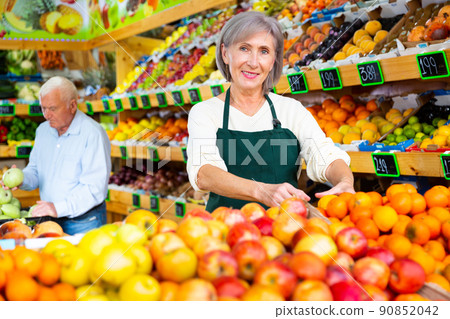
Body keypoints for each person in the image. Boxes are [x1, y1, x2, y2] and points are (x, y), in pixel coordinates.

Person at [187, 11, 355, 212]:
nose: (254, 62)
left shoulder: (291, 110)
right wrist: (262, 191)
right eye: (244, 48)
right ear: (225, 53)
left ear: (274, 60)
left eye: (264, 51)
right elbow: (203, 173)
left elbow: (325, 155)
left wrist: (344, 180)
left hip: (284, 229)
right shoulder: (205, 113)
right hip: (224, 231)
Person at [8, 76, 111, 235]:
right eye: (43, 108)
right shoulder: (42, 131)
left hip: (84, 222)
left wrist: (58, 208)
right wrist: (22, 178)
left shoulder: (92, 134)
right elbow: (36, 171)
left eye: (52, 108)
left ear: (72, 105)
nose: (46, 115)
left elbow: (94, 188)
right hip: (50, 219)